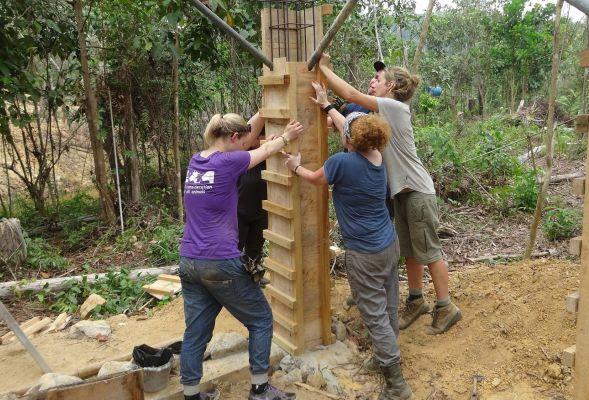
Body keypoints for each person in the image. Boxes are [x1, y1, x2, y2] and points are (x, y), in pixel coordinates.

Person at [315, 54, 462, 336]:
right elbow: (350, 125)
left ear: (391, 86)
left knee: (429, 251)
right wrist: (327, 107)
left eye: (379, 80)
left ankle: (445, 307)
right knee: (410, 251)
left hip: (417, 191)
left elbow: (348, 93)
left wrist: (322, 68)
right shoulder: (381, 113)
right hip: (403, 193)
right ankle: (417, 300)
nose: (374, 82)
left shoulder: (394, 107)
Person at [283, 111, 414, 400]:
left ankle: (397, 385)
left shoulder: (340, 162)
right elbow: (353, 133)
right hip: (388, 245)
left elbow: (316, 178)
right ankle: (383, 360)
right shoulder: (377, 157)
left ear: (348, 139)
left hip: (364, 253)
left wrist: (294, 166)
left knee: (375, 316)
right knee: (389, 305)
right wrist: (327, 106)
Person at [179, 112, 303, 400]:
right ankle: (259, 389)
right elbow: (265, 150)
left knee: (195, 331)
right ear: (233, 138)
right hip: (220, 262)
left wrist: (264, 143)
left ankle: (191, 394)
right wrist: (287, 136)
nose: (245, 145)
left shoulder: (197, 161)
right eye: (242, 140)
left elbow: (255, 151)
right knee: (261, 319)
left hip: (189, 260)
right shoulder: (229, 161)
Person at [237, 130, 269, 287]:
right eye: (257, 136)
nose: (258, 139)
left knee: (255, 247)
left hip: (261, 211)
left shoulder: (267, 155)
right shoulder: (243, 155)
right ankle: (235, 280)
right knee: (235, 247)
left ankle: (254, 276)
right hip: (239, 213)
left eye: (260, 136)